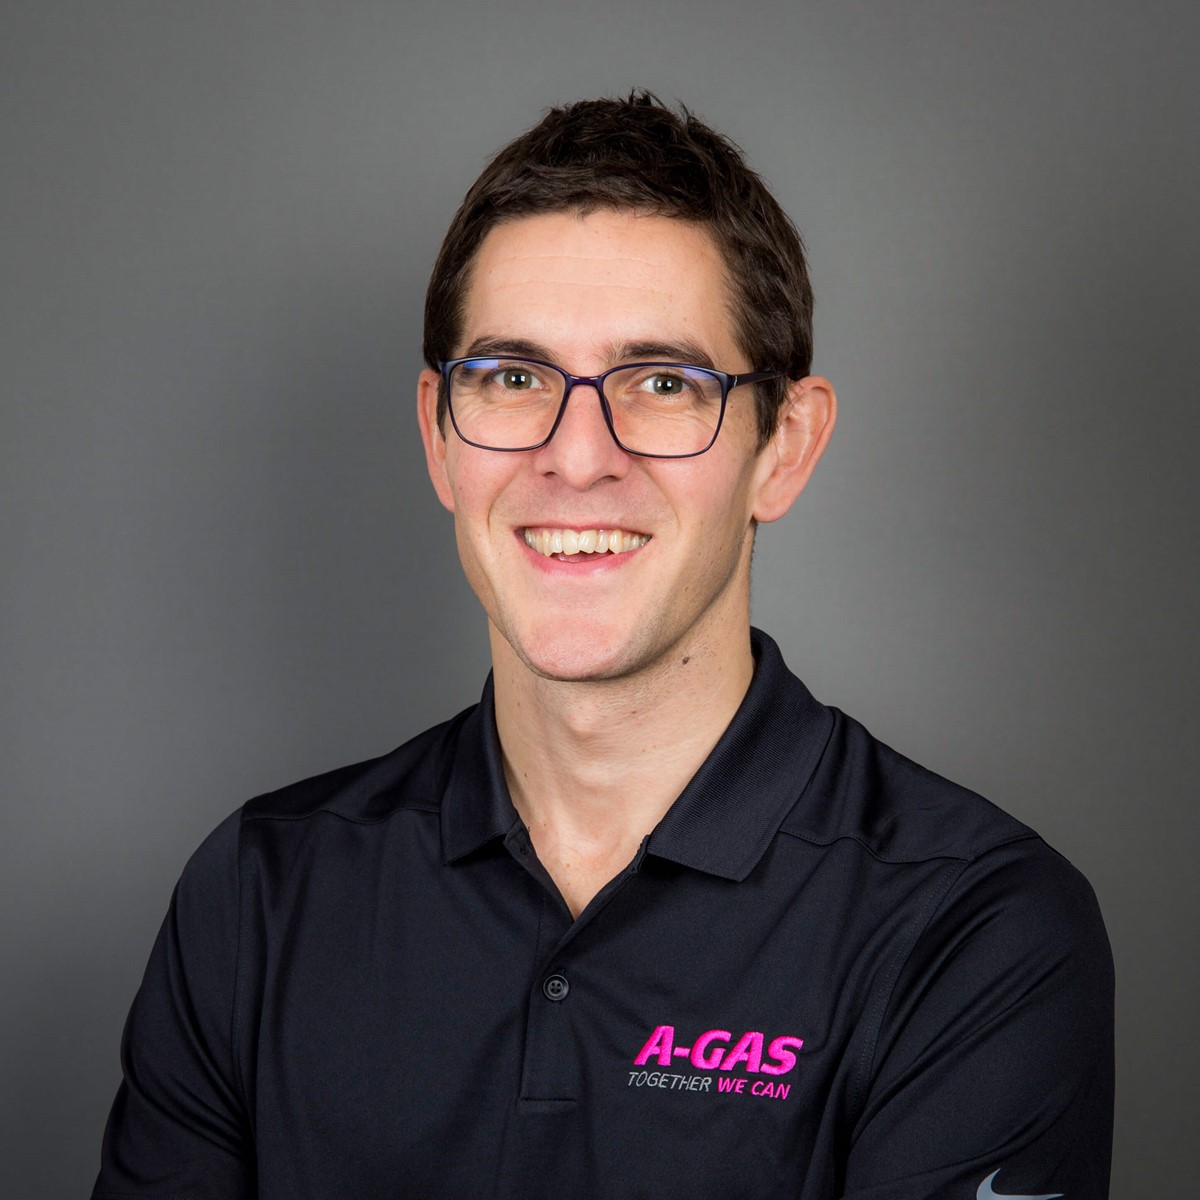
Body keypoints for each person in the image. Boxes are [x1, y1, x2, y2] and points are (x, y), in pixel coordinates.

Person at [92, 93, 1113, 1200]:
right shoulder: (259, 896)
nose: (578, 458)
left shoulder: (972, 931)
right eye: (514, 379)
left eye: (664, 383)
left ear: (786, 446)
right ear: (439, 436)